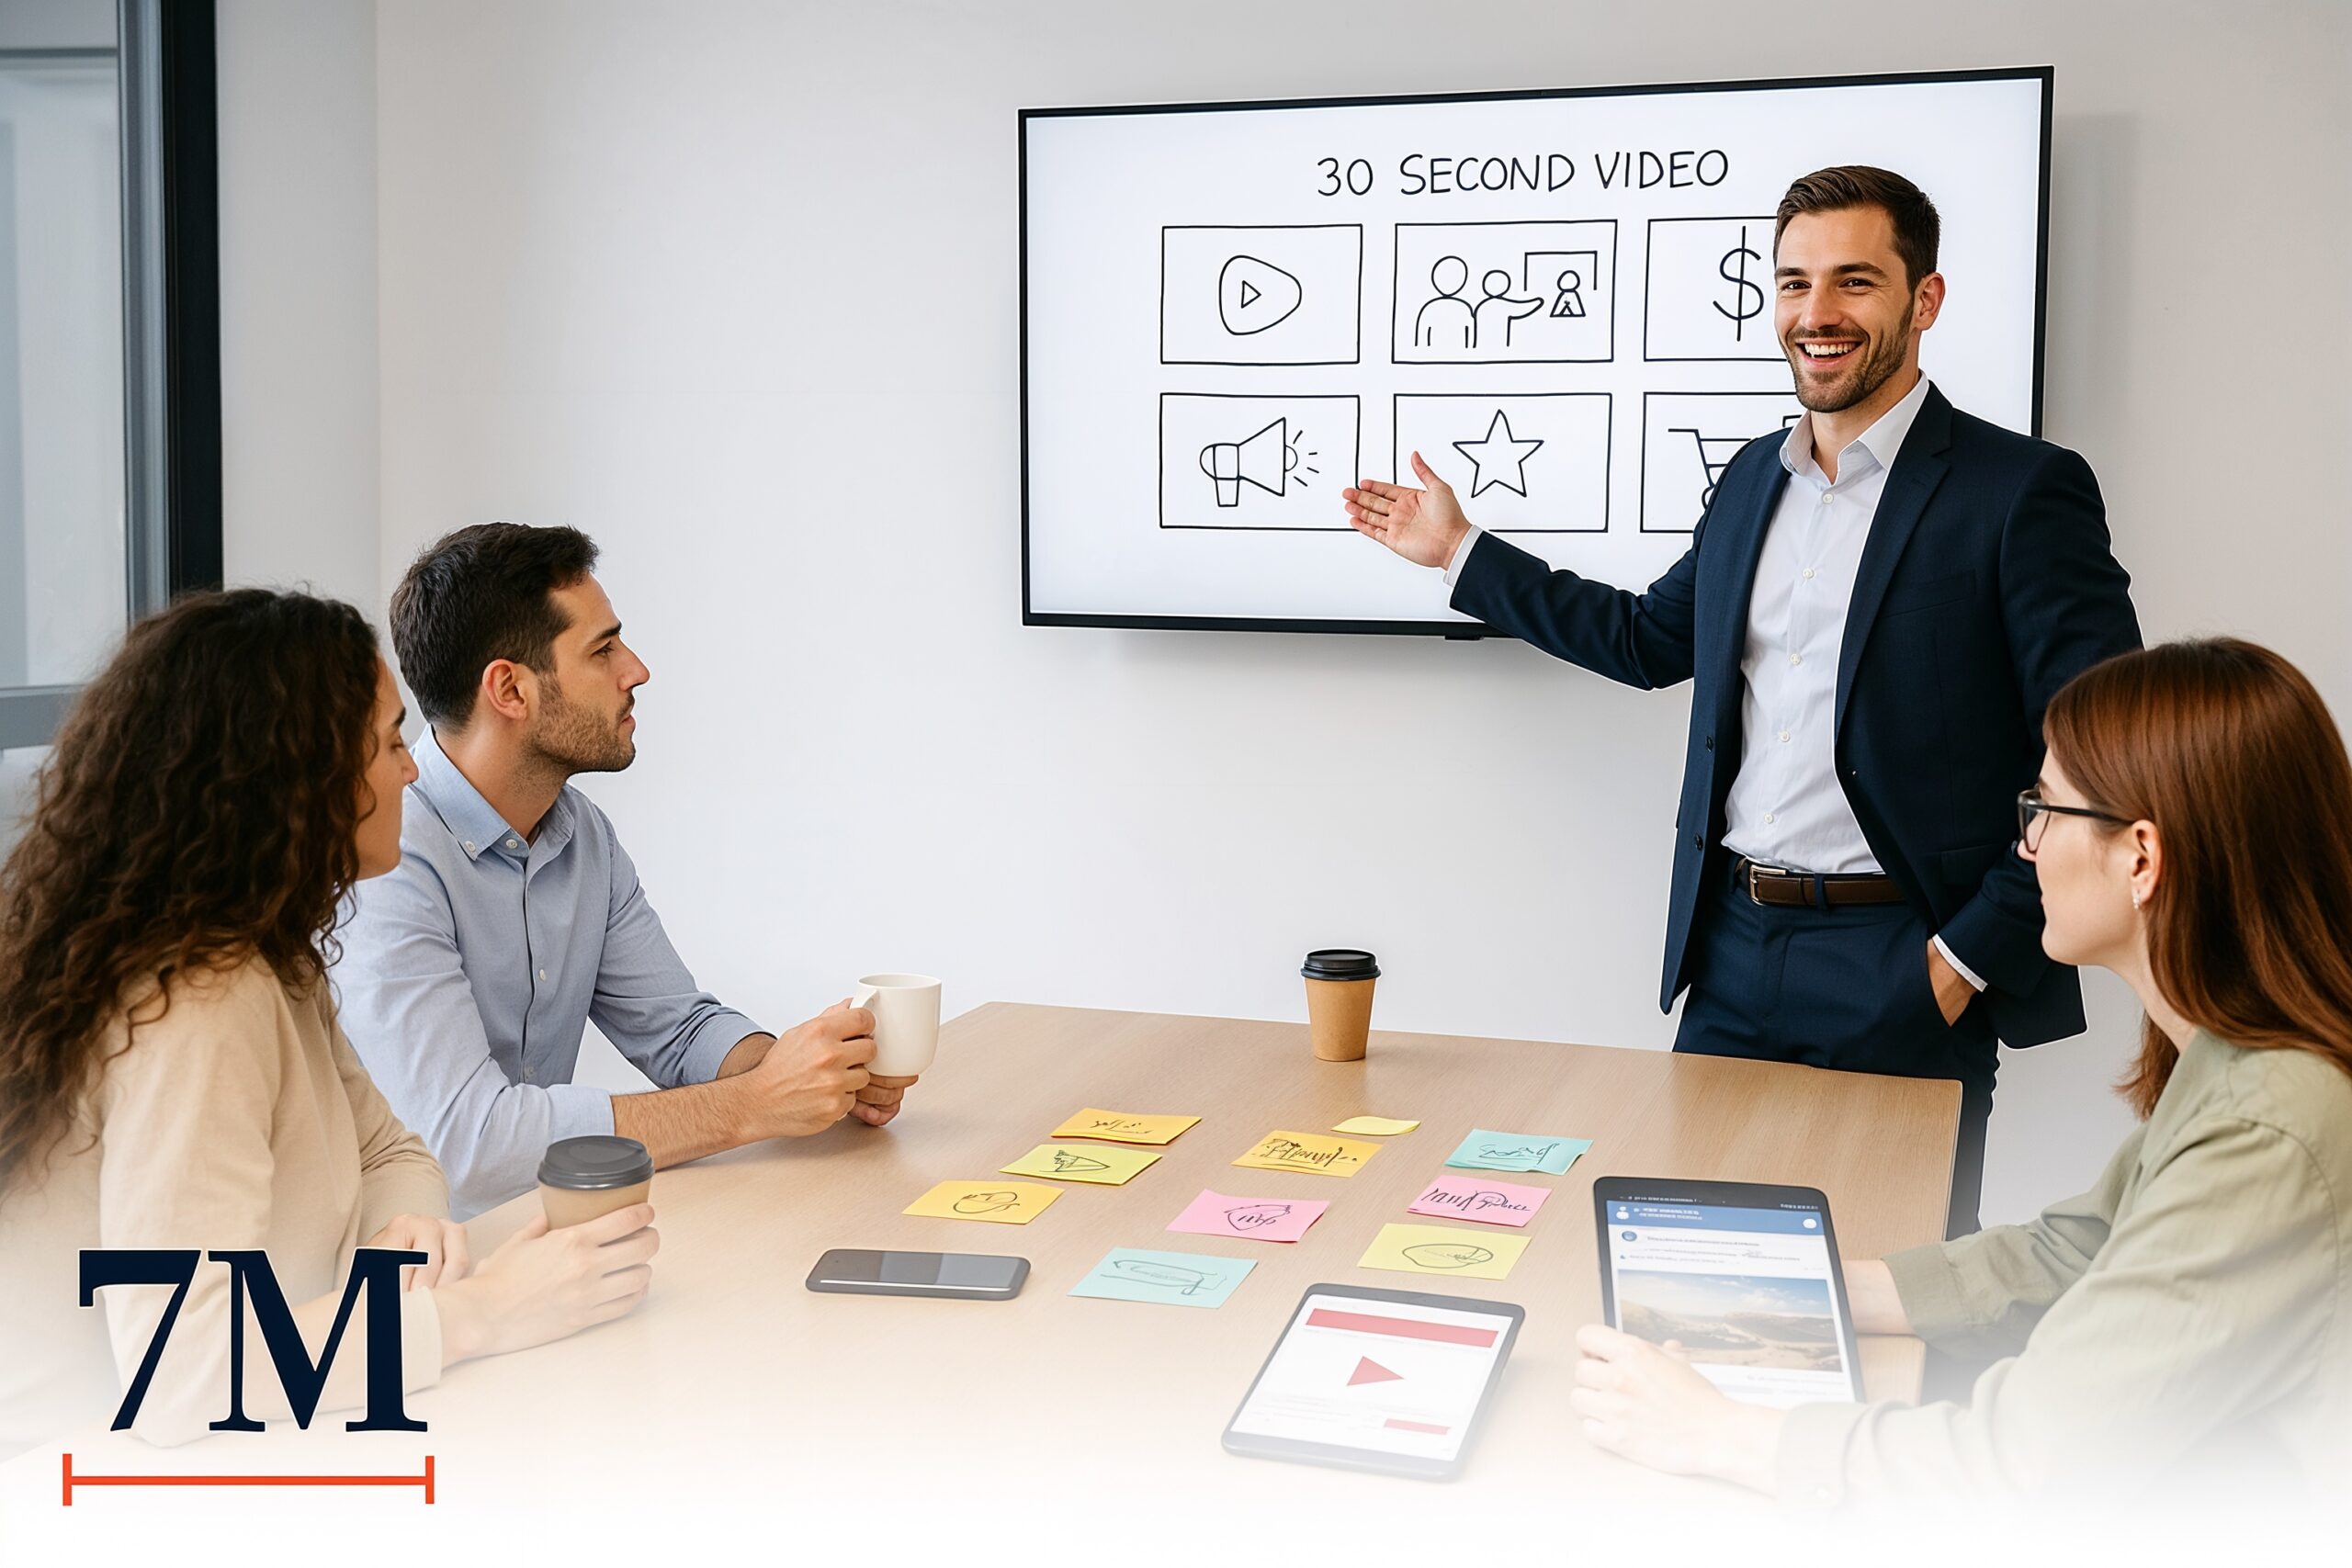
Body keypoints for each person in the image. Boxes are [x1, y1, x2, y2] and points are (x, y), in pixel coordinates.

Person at [1343, 166, 2142, 1235]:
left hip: (1902, 957)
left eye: (1854, 282)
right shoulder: (1749, 482)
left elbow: (2103, 747)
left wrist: (1957, 962)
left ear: (1924, 301)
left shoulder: (2018, 490)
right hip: (1732, 952)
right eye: (1794, 284)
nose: (1817, 315)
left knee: (1890, 1300)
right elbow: (1648, 640)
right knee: (1696, 1277)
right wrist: (1461, 552)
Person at [1568, 638, 2352, 1506]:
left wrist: (1717, 1431)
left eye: (2045, 810)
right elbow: (2075, 1252)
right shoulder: (2246, 1059)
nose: (2027, 846)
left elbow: (2016, 1466)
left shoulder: (2267, 1128)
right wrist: (1800, 1291)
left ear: (2141, 858)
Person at [0, 591, 658, 1457]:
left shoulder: (268, 957)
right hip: (86, 1496)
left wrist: (401, 1232)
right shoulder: (201, 1003)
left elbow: (394, 1151)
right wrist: (478, 1313)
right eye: (389, 743)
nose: (412, 772)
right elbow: (182, 1373)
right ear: (300, 777)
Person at [334, 524, 913, 1219]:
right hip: (411, 1275)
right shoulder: (386, 860)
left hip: (547, 1237)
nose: (635, 669)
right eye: (602, 649)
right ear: (509, 690)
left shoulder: (582, 835)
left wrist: (812, 1073)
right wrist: (755, 1104)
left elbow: (677, 1028)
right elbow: (470, 1142)